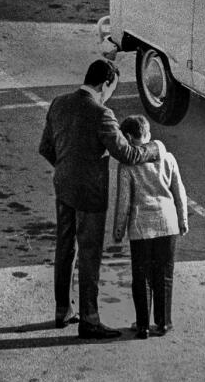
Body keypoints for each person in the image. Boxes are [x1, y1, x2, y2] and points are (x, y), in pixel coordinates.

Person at [38, 60, 160, 339]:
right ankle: (90, 319)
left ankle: (62, 309)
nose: (109, 95)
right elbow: (127, 154)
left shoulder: (59, 103)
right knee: (90, 254)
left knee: (65, 247)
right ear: (105, 83)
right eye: (111, 89)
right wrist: (153, 149)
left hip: (63, 185)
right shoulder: (102, 114)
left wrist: (66, 166)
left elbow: (46, 147)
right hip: (90, 193)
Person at [112, 115, 188, 339]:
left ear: (127, 137)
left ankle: (143, 325)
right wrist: (182, 220)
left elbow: (123, 202)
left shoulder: (127, 166)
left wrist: (118, 230)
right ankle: (164, 323)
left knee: (142, 277)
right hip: (168, 223)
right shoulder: (168, 158)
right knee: (164, 275)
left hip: (141, 227)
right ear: (147, 134)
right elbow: (179, 192)